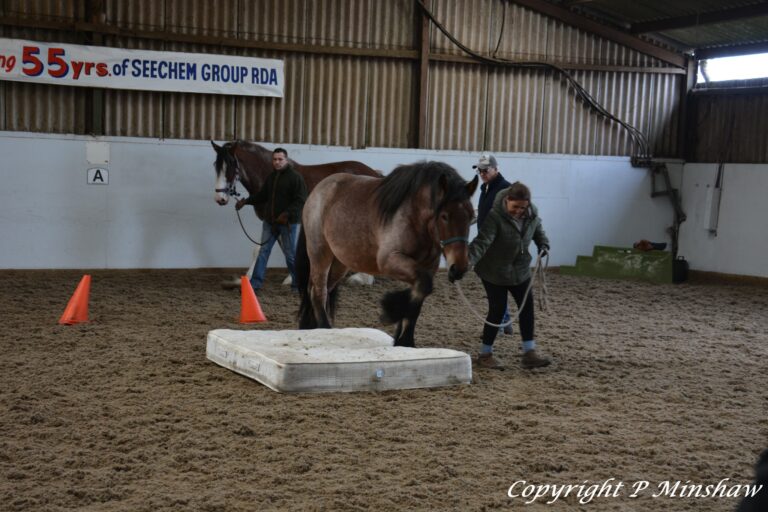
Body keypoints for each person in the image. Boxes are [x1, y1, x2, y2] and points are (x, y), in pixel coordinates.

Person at [468, 181, 551, 370]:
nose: (518, 211)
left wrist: (543, 245)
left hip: (519, 270)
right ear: (507, 201)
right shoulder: (494, 217)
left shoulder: (531, 214)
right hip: (493, 271)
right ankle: (485, 354)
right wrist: (467, 261)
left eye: (522, 208)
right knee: (497, 311)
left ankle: (529, 353)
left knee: (527, 308)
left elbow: (538, 231)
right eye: (515, 207)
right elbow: (482, 242)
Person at [236, 148, 307, 292]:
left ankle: (298, 284)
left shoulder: (295, 178)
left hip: (288, 224)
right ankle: (256, 283)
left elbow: (301, 200)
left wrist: (286, 214)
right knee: (263, 252)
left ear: (286, 160)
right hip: (270, 222)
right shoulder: (271, 177)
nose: (277, 162)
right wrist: (246, 202)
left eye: (280, 159)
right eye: (275, 159)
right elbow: (262, 195)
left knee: (290, 255)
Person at [473, 153, 513, 335]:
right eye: (480, 170)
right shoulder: (485, 189)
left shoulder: (506, 190)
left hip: (498, 245)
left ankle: (500, 321)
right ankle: (504, 320)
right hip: (486, 245)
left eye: (485, 170)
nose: (482, 173)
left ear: (496, 169)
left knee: (495, 285)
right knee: (493, 284)